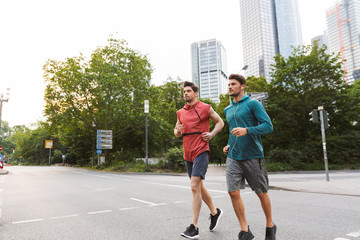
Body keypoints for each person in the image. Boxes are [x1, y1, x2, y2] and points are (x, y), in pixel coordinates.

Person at [223, 74, 276, 240]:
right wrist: (229, 144)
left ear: (242, 86)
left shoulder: (253, 104)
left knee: (261, 192)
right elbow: (233, 131)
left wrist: (248, 130)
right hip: (233, 156)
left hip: (253, 155)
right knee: (233, 191)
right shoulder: (228, 109)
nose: (230, 87)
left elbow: (268, 126)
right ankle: (245, 230)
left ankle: (270, 225)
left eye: (233, 84)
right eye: (229, 84)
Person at [174, 81, 224, 239]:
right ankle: (215, 212)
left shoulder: (205, 108)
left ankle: (194, 227)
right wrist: (177, 131)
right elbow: (177, 132)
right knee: (199, 187)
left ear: (196, 93)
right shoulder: (180, 112)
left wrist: (211, 134)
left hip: (201, 150)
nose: (185, 94)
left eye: (188, 91)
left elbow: (220, 122)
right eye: (184, 91)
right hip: (187, 152)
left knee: (194, 185)